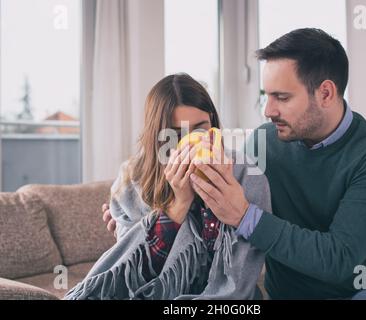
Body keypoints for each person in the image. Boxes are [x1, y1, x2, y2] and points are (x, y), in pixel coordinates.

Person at [185, 28, 366, 300]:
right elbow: (219, 209)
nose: (268, 111)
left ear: (326, 93)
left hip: (364, 292)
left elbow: (337, 258)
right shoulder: (264, 142)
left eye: (282, 97)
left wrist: (246, 216)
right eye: (266, 95)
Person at [64, 73, 271, 300]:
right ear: (158, 137)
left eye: (200, 130)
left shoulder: (245, 175)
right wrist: (178, 205)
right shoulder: (133, 181)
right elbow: (133, 280)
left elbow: (240, 280)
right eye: (177, 134)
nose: (191, 143)